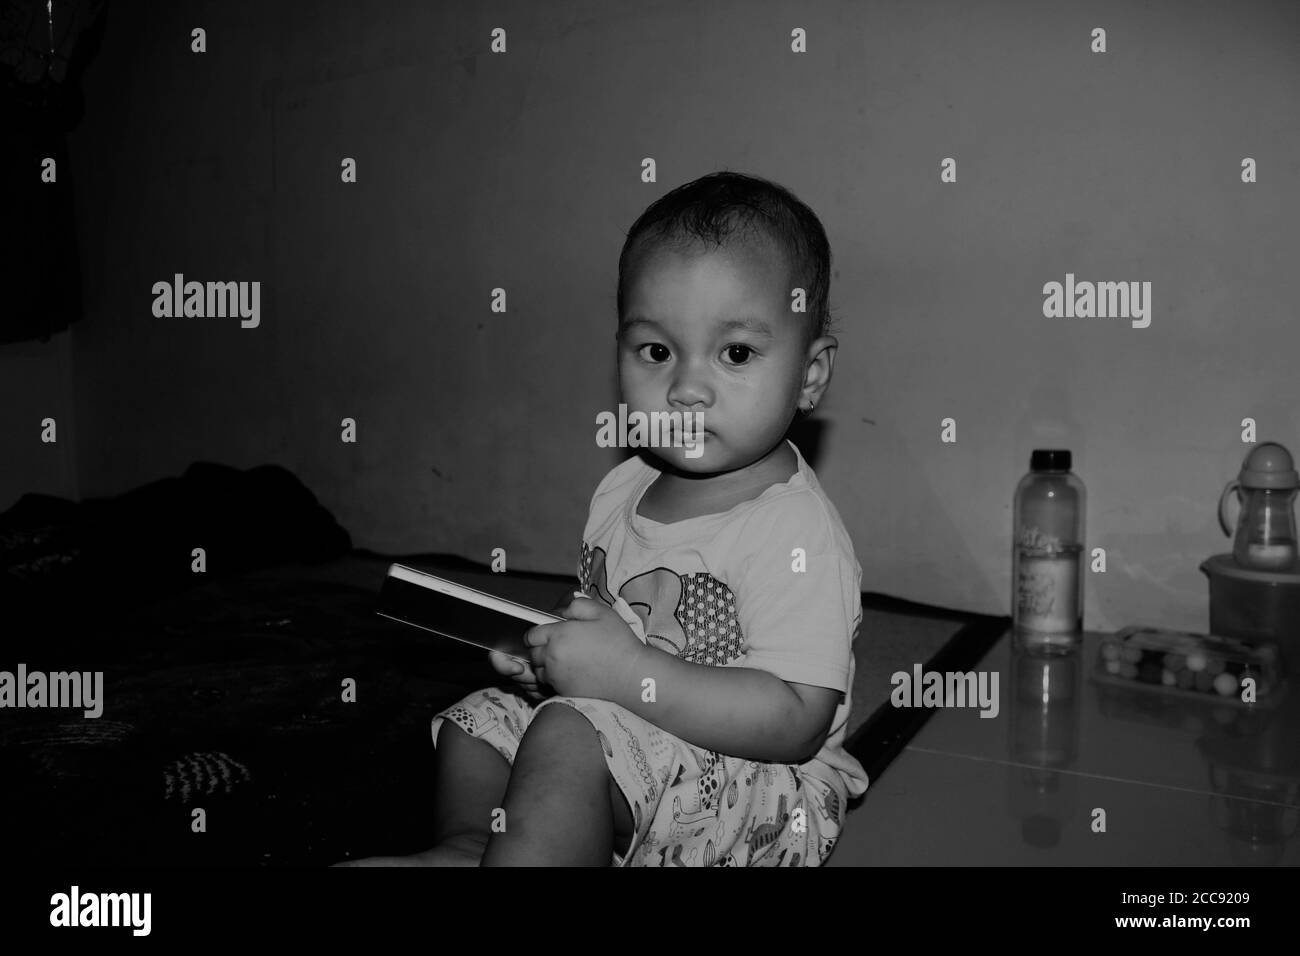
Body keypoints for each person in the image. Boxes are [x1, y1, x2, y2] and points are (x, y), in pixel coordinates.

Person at [351, 170, 868, 867]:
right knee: (481, 720)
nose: (685, 388)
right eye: (656, 351)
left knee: (569, 731)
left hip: (769, 789)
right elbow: (612, 637)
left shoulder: (794, 529)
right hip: (637, 732)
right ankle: (474, 843)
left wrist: (625, 677)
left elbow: (797, 719)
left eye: (736, 353)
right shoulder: (622, 489)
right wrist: (558, 663)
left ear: (809, 375)